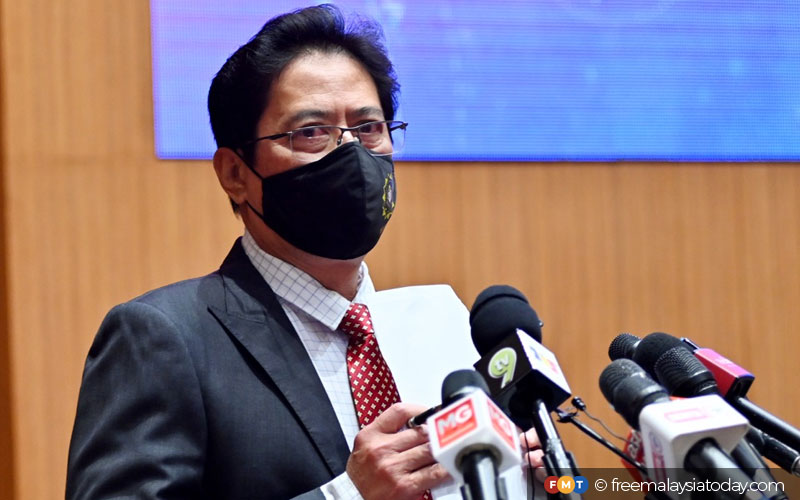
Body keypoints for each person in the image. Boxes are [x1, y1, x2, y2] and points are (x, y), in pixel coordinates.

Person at [66, 5, 542, 499]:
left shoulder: (445, 328)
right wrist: (350, 495)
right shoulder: (163, 338)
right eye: (311, 132)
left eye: (369, 128)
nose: (351, 153)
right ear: (235, 174)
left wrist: (541, 482)